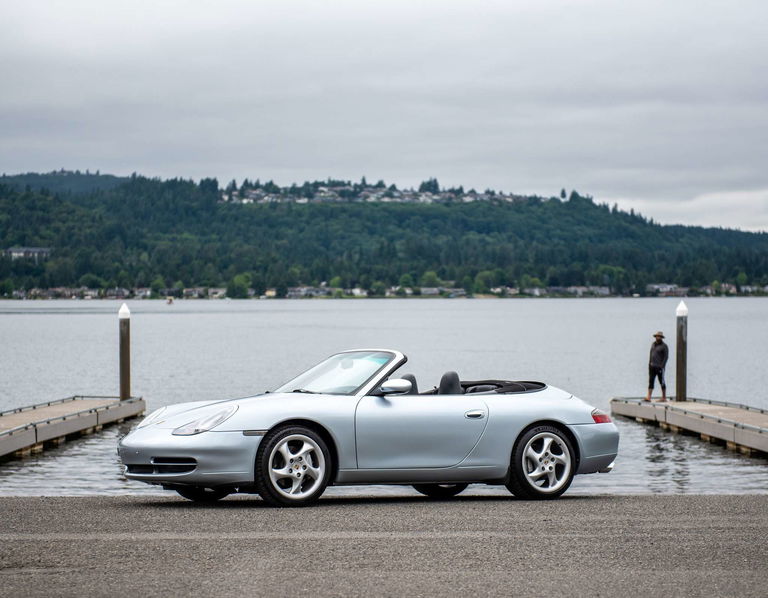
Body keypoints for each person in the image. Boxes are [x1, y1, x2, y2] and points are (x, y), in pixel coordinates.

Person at [645, 331, 668, 402]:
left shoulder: (664, 346)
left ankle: (664, 397)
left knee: (662, 382)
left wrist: (662, 366)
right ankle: (649, 397)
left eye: (659, 336)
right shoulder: (653, 344)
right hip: (652, 366)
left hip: (659, 367)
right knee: (651, 381)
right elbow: (651, 354)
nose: (658, 337)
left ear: (661, 338)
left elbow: (666, 357)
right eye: (657, 336)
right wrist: (649, 364)